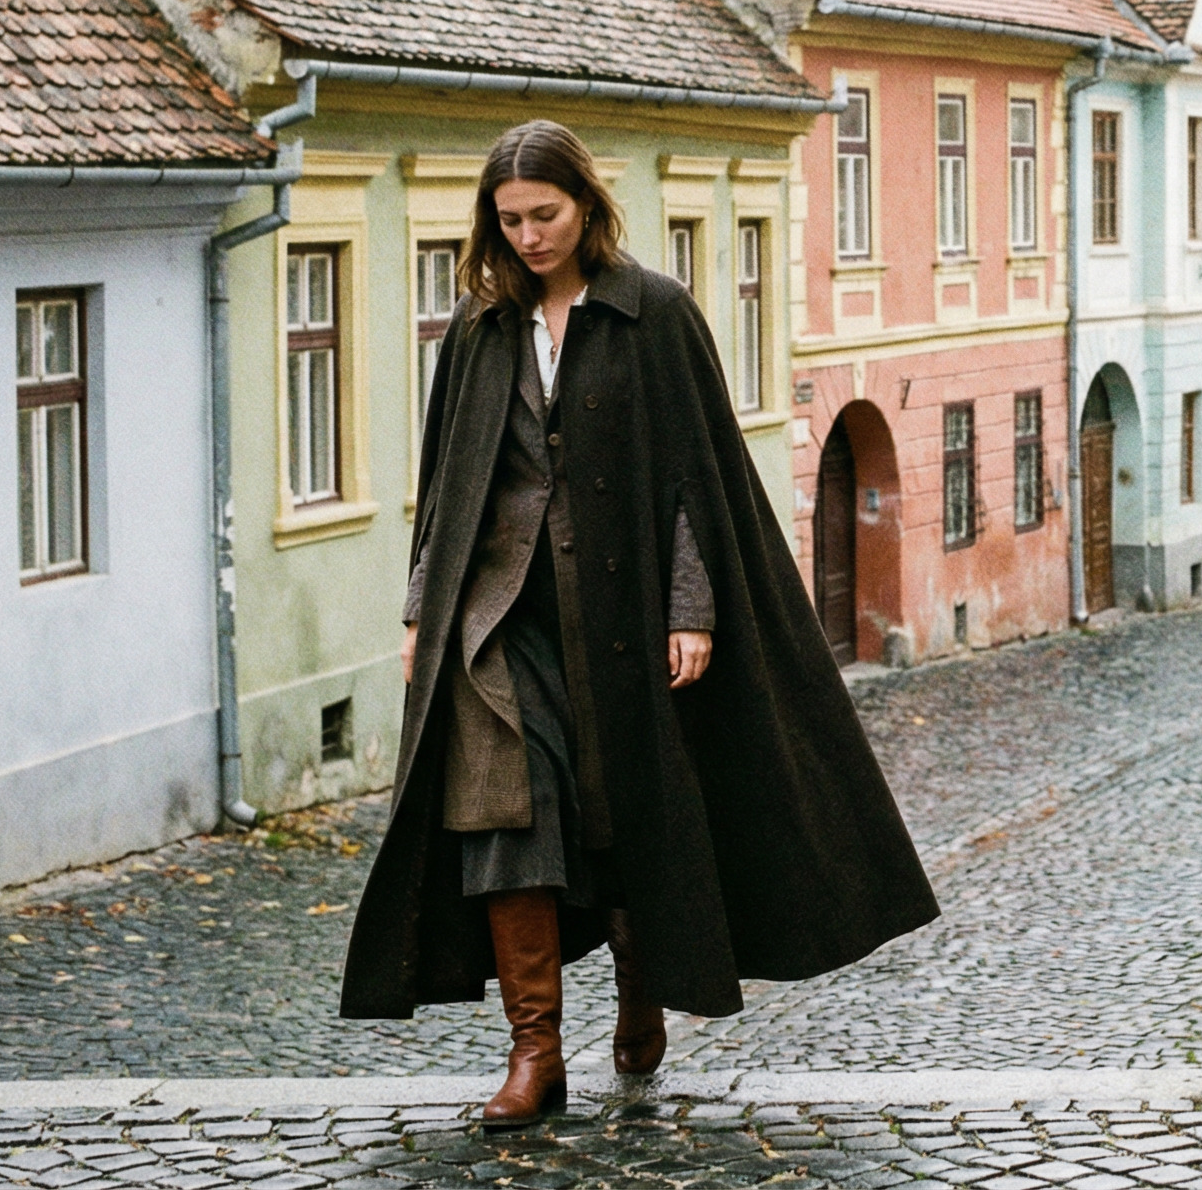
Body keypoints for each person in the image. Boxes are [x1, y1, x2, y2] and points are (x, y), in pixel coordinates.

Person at [341, 120, 937, 1125]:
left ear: (586, 207)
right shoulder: (479, 329)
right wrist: (421, 613)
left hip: (622, 616)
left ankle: (640, 999)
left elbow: (696, 481)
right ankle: (534, 1055)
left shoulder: (651, 314)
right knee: (504, 817)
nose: (529, 235)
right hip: (497, 621)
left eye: (546, 214)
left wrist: (691, 610)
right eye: (510, 219)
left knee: (619, 820)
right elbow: (444, 483)